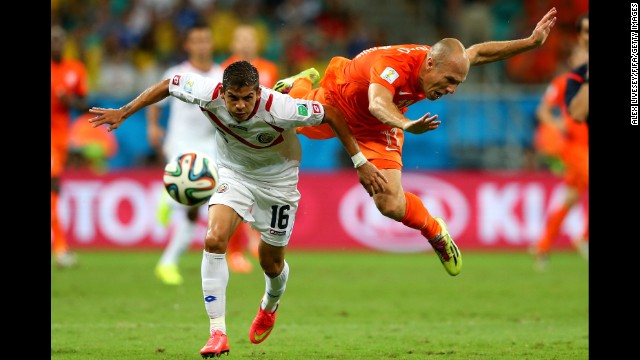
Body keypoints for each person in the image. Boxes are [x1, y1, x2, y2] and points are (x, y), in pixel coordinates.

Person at [88, 60, 388, 357]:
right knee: (214, 239)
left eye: (248, 98)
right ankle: (217, 332)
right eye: (233, 98)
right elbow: (169, 85)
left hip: (279, 183)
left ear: (258, 93)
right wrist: (124, 112)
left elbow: (332, 114)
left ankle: (270, 305)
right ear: (223, 93)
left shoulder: (280, 108)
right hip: (234, 174)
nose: (240, 106)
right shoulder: (207, 92)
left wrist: (360, 163)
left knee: (270, 263)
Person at [274, 7, 559, 277]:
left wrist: (530, 42)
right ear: (430, 64)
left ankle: (435, 230)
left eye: (457, 84)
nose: (451, 89)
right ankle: (301, 81)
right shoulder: (394, 65)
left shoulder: (445, 61)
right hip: (337, 102)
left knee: (390, 205)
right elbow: (377, 102)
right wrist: (406, 123)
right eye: (449, 81)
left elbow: (477, 52)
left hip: (377, 127)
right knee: (286, 115)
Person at [147, 22, 254, 282]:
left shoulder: (221, 74)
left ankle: (167, 260)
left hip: (210, 144)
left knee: (197, 211)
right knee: (192, 204)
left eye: (206, 40)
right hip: (181, 143)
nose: (202, 45)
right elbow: (157, 100)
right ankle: (170, 198)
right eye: (196, 41)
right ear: (188, 45)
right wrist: (152, 126)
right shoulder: (177, 72)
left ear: (211, 44)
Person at [220, 23, 281, 270]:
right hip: (235, 143)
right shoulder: (223, 70)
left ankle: (257, 241)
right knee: (236, 197)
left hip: (265, 143)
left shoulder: (270, 69)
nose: (245, 43)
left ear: (257, 43)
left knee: (262, 197)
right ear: (233, 44)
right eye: (240, 39)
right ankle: (234, 252)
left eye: (250, 39)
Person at [531, 13, 589, 271]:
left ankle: (542, 246)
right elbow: (543, 111)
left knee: (570, 198)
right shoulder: (563, 82)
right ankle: (584, 238)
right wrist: (557, 125)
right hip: (574, 147)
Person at [51, 25, 89, 268]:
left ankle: (61, 247)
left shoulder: (75, 69)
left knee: (54, 191)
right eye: (52, 39)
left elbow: (84, 102)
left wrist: (68, 100)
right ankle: (61, 247)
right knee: (53, 186)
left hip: (62, 137)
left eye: (59, 39)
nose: (56, 43)